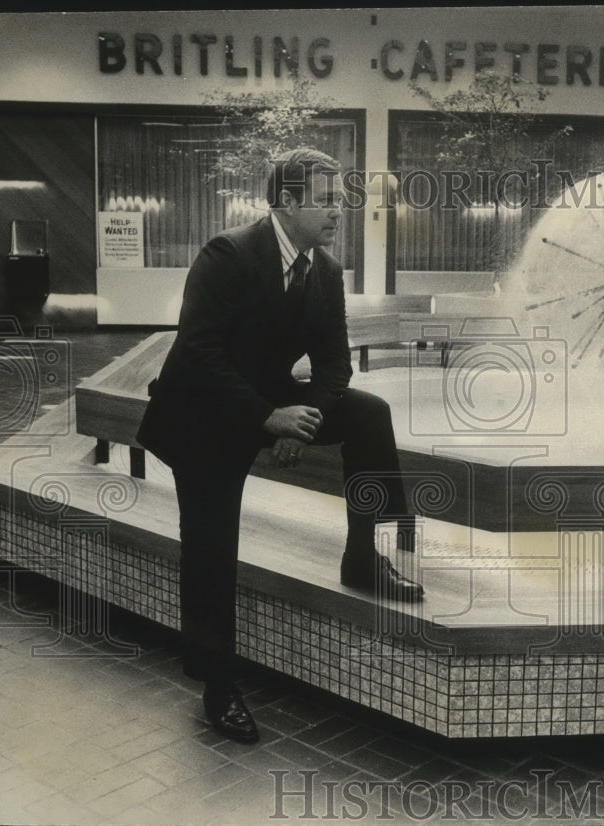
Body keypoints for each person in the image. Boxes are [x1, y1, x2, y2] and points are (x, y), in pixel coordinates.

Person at [137, 147, 423, 745]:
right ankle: (218, 685)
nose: (338, 211)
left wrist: (307, 418)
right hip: (204, 414)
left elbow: (335, 364)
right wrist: (270, 419)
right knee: (212, 547)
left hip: (269, 401)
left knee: (370, 413)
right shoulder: (228, 254)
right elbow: (199, 356)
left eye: (341, 198)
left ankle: (362, 556)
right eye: (324, 199)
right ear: (286, 202)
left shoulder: (326, 271)